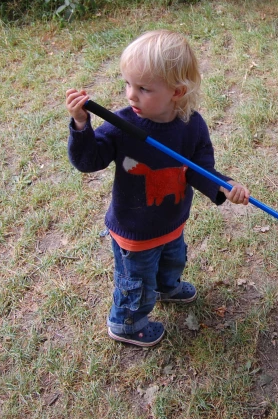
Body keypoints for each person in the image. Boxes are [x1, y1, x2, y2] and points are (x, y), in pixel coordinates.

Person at [65, 30, 250, 347]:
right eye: (127, 84)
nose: (130, 95)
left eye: (143, 88)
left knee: (173, 258)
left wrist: (224, 185)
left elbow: (199, 169)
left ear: (177, 91)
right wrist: (82, 126)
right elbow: (89, 160)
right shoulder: (123, 126)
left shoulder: (192, 126)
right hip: (134, 229)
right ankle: (126, 322)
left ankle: (167, 287)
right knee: (135, 281)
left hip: (170, 219)